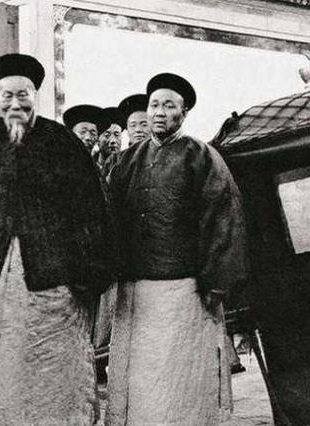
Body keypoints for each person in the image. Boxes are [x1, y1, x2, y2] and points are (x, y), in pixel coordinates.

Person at [0, 53, 115, 425]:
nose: (15, 103)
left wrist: (89, 263)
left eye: (23, 94)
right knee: (1, 354)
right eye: (6, 95)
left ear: (35, 96)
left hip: (55, 271)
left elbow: (90, 202)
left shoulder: (60, 139)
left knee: (53, 358)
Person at [105, 72, 247, 426]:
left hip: (184, 289)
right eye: (154, 105)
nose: (159, 112)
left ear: (184, 113)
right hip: (135, 290)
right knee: (140, 377)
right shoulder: (127, 161)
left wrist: (217, 282)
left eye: (169, 106)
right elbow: (109, 217)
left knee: (177, 375)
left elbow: (224, 218)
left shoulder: (202, 156)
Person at [94, 107, 124, 181]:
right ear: (97, 139)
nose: (113, 140)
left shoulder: (127, 166)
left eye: (117, 135)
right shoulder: (89, 166)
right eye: (107, 135)